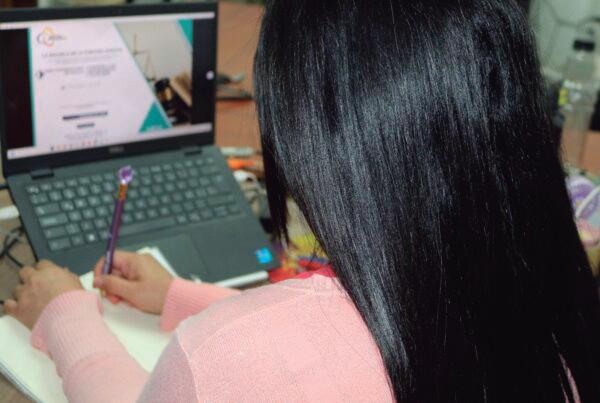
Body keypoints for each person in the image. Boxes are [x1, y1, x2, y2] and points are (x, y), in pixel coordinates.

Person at [5, 0, 600, 401]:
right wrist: (179, 297)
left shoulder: (223, 354)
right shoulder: (554, 295)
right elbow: (374, 329)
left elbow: (242, 363)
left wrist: (66, 314)